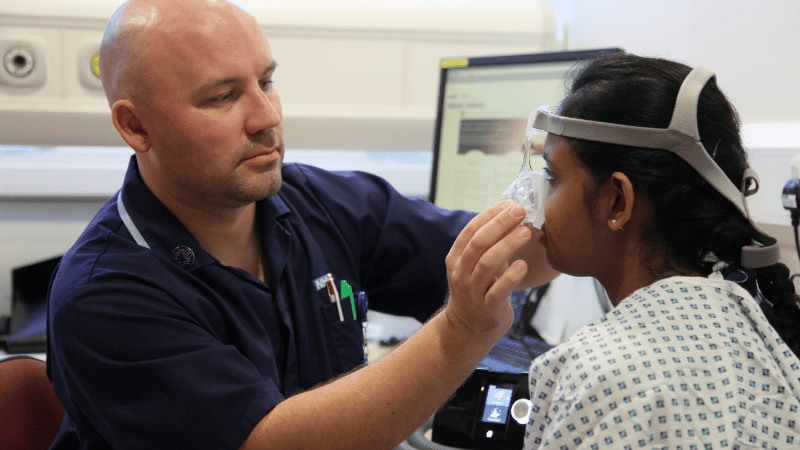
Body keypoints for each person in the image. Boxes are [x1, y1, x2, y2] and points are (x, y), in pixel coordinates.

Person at [45, 0, 558, 449]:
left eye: (266, 82)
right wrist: (460, 333)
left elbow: (507, 254)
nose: (266, 117)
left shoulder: (320, 202)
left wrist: (586, 191)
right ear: (136, 126)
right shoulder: (102, 296)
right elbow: (269, 442)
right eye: (223, 97)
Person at [522, 52, 800, 449]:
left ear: (617, 202)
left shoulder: (598, 375)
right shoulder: (764, 342)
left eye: (552, 175)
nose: (537, 197)